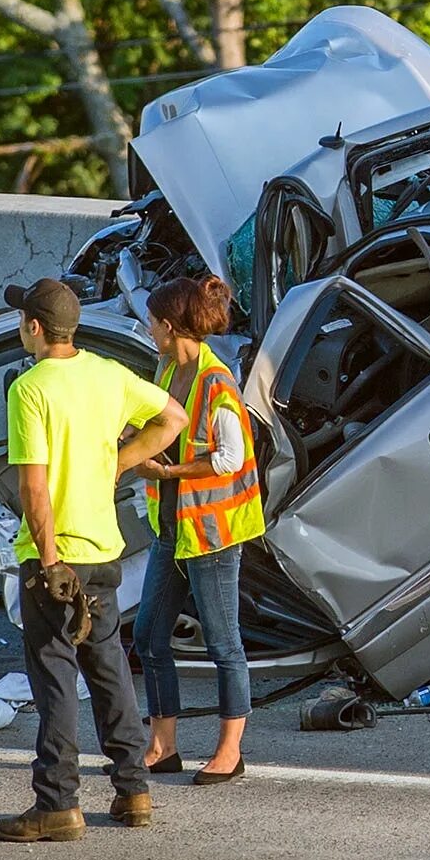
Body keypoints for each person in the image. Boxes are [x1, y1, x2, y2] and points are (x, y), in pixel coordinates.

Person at [0, 277, 185, 844]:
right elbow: (171, 417)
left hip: (57, 562)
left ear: (33, 327)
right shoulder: (108, 374)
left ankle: (56, 802)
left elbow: (33, 486)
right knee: (109, 673)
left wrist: (48, 559)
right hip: (103, 555)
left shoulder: (30, 389)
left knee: (54, 681)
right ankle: (133, 790)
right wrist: (117, 462)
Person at [131, 274, 262, 784]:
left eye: (151, 322)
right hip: (173, 529)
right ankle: (162, 746)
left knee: (223, 643)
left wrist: (167, 472)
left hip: (211, 535)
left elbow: (229, 459)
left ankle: (230, 751)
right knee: (148, 635)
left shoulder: (216, 382)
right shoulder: (167, 373)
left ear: (168, 326)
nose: (148, 329)